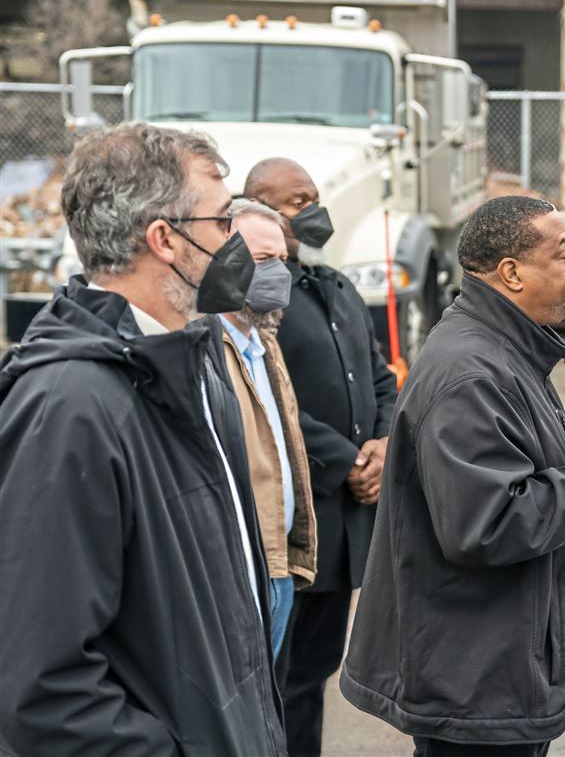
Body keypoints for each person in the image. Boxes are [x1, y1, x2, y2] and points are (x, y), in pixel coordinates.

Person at [0, 123, 287, 755]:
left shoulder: (195, 363)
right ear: (164, 238)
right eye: (221, 222)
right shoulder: (69, 406)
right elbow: (44, 689)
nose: (239, 240)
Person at [340, 195, 565, 756]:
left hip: (497, 676)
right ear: (512, 273)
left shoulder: (505, 349)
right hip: (478, 687)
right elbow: (488, 525)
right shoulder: (470, 374)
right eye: (564, 253)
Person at [244, 157, 399, 754]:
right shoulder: (261, 299)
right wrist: (349, 460)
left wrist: (384, 445)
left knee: (313, 671)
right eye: (295, 201)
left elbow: (382, 377)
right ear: (256, 207)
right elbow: (267, 395)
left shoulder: (337, 285)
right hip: (295, 513)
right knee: (279, 678)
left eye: (314, 196)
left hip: (344, 523)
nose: (312, 211)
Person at [219, 198, 319, 661]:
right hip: (235, 571)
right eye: (262, 260)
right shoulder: (206, 351)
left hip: (278, 564)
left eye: (282, 259)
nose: (278, 273)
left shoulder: (264, 344)